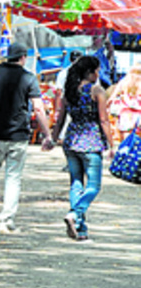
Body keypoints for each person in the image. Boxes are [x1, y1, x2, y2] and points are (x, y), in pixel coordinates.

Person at [0, 43, 53, 233]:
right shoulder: (28, 78)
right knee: (13, 178)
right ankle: (6, 220)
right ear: (23, 57)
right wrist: (47, 134)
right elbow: (39, 108)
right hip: (18, 135)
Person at [44, 56, 111, 242]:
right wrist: (111, 144)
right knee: (94, 186)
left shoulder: (69, 92)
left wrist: (53, 139)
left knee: (76, 183)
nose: (98, 74)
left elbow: (60, 120)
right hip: (91, 141)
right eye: (96, 70)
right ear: (90, 72)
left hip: (71, 141)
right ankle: (75, 214)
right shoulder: (97, 91)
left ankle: (80, 229)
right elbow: (104, 119)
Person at [107, 64, 141, 139]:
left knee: (125, 143)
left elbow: (112, 98)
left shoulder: (124, 82)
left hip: (125, 116)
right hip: (139, 117)